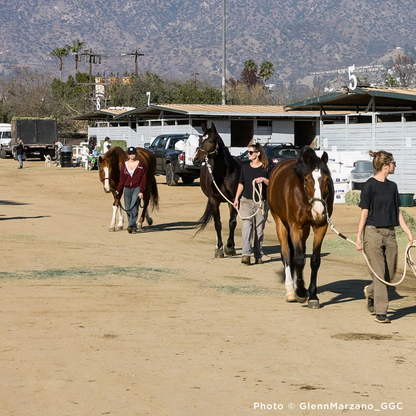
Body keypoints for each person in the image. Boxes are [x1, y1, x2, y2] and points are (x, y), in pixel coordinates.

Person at [356, 150, 416, 324]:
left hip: (390, 234)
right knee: (380, 273)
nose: (395, 166)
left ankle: (371, 291)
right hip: (373, 233)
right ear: (385, 165)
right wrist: (359, 237)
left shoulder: (392, 187)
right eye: (394, 163)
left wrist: (409, 233)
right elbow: (364, 213)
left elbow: (397, 212)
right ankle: (381, 312)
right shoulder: (369, 185)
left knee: (388, 274)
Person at [233, 142, 270, 265]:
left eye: (251, 152)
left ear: (258, 153)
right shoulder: (245, 167)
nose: (248, 154)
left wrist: (264, 180)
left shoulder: (265, 168)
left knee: (259, 230)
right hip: (246, 201)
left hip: (261, 203)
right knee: (247, 226)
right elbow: (241, 183)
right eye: (248, 152)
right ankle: (246, 254)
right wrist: (236, 198)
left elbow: (272, 183)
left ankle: (258, 254)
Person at [116, 146, 147, 234]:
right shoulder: (124, 165)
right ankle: (131, 224)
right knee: (128, 207)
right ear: (128, 155)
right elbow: (122, 179)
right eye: (130, 154)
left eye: (133, 154)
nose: (132, 155)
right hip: (127, 188)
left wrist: (141, 191)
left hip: (136, 187)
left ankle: (131, 225)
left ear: (135, 154)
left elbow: (143, 179)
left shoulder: (140, 165)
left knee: (134, 206)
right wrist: (118, 190)